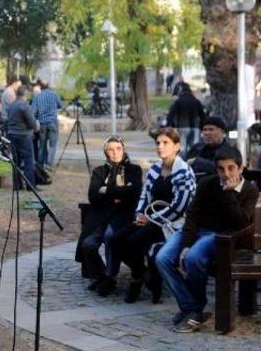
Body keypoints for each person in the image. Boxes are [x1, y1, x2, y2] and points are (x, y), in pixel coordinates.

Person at [156, 147, 259, 332]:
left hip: (220, 236)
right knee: (162, 258)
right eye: (221, 169)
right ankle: (191, 307)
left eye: (231, 168)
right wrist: (187, 243)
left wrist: (229, 193)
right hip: (196, 231)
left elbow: (241, 223)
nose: (226, 173)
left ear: (241, 168)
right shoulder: (207, 183)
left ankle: (194, 310)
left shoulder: (249, 190)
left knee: (193, 258)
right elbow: (193, 215)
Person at [109, 127, 196, 303]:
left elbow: (180, 206)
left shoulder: (184, 171)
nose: (160, 147)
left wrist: (151, 218)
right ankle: (141, 272)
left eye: (165, 143)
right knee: (115, 240)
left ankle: (137, 279)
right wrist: (140, 213)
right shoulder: (155, 168)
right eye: (158, 143)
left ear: (177, 146)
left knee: (134, 240)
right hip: (148, 218)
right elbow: (144, 194)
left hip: (171, 223)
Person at [76, 136, 142, 296]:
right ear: (106, 152)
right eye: (110, 149)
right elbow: (93, 195)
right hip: (100, 217)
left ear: (123, 149)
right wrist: (119, 194)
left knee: (109, 237)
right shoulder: (99, 171)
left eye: (118, 148)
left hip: (123, 217)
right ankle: (101, 274)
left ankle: (111, 277)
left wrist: (107, 190)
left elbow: (134, 193)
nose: (115, 153)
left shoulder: (134, 169)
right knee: (88, 244)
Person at [6, 86, 40, 190]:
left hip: (12, 134)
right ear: (25, 94)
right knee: (28, 160)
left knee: (16, 160)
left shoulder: (11, 105)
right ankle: (30, 186)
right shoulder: (24, 106)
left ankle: (17, 185)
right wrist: (36, 127)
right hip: (24, 135)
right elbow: (31, 122)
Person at [166, 84, 206, 154]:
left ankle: (182, 161)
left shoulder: (178, 101)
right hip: (195, 127)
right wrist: (202, 127)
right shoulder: (196, 101)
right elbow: (202, 116)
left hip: (182, 126)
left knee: (182, 147)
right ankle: (192, 160)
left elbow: (171, 115)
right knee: (194, 147)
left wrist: (170, 126)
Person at [31, 82, 62, 170]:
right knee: (52, 145)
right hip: (53, 123)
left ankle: (41, 164)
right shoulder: (54, 94)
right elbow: (60, 105)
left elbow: (33, 112)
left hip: (42, 124)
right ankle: (49, 164)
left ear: (41, 87)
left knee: (42, 145)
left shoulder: (37, 96)